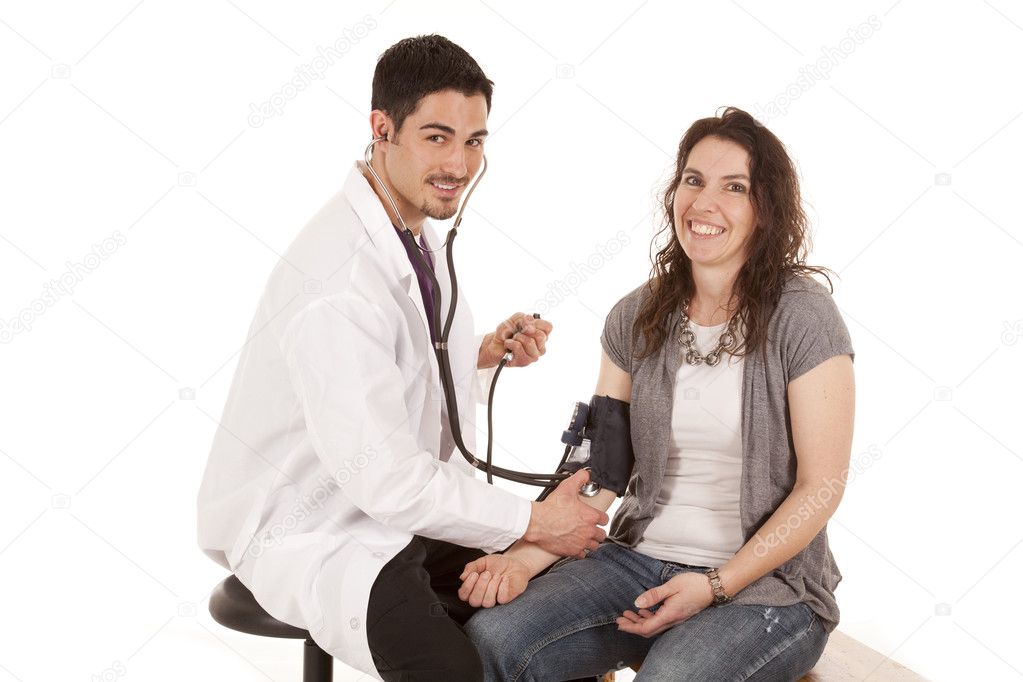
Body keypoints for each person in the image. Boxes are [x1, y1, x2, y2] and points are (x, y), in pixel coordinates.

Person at [196, 35, 608, 681]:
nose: (459, 164)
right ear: (381, 128)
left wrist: (476, 356)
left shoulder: (407, 230)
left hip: (385, 504)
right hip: (315, 525)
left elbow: (387, 366)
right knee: (450, 670)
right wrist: (532, 519)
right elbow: (386, 479)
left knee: (565, 608)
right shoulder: (338, 282)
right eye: (437, 137)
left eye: (473, 141)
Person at [461, 107, 856, 681]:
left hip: (769, 589)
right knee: (493, 638)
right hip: (636, 561)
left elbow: (822, 488)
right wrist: (524, 559)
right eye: (693, 180)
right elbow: (606, 472)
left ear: (766, 209)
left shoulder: (805, 318)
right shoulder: (636, 317)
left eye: (735, 187)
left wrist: (715, 585)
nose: (704, 202)